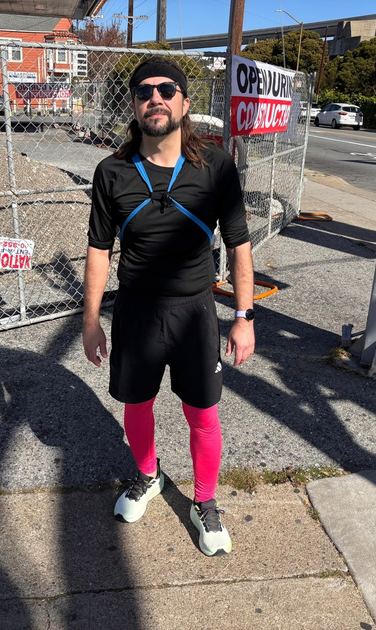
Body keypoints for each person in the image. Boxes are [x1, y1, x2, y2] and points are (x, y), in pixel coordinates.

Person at [83, 56, 255, 557]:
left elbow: (239, 245)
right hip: (136, 311)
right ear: (134, 105)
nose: (154, 98)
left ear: (184, 102)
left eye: (166, 90)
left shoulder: (216, 166)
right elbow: (98, 250)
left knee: (202, 412)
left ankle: (205, 501)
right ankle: (148, 475)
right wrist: (90, 321)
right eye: (143, 91)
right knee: (136, 404)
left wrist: (244, 317)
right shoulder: (111, 171)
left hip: (195, 312)